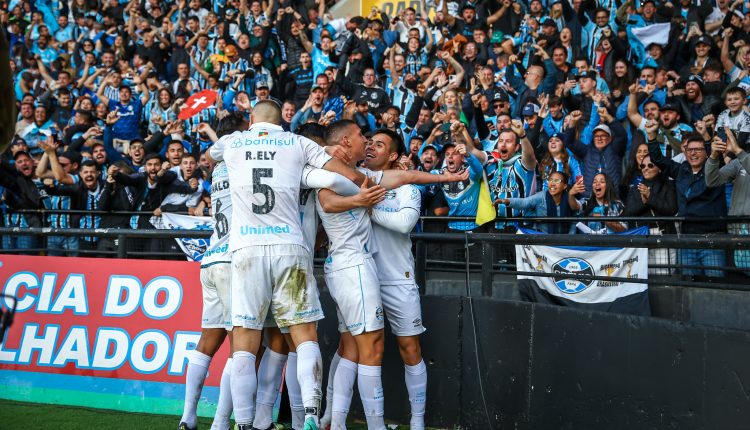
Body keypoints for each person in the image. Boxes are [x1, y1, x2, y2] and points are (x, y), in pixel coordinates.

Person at [206, 101, 365, 430]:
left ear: (251, 120)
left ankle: (244, 423)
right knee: (304, 335)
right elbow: (340, 175)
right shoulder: (298, 142)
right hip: (290, 248)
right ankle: (309, 413)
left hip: (246, 250)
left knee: (245, 343)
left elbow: (212, 155)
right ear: (282, 121)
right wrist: (362, 184)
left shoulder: (233, 141)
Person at [178, 116, 243, 430]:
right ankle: (220, 422)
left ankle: (187, 417)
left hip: (211, 258)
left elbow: (221, 149)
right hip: (232, 259)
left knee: (207, 341)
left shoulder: (216, 171)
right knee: (240, 343)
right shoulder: (242, 161)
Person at [363, 128, 428, 430]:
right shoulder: (355, 179)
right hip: (362, 278)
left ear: (394, 156)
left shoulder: (407, 188)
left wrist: (367, 208)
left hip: (399, 279)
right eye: (370, 143)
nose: (371, 148)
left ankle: (417, 421)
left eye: (380, 145)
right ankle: (334, 418)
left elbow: (404, 224)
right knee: (355, 349)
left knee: (410, 349)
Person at [645, 121, 727, 277]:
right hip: (686, 239)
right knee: (689, 285)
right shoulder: (681, 169)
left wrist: (706, 136)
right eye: (689, 150)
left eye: (697, 150)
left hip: (712, 239)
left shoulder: (716, 170)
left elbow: (717, 156)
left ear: (706, 152)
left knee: (714, 285)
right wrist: (651, 135)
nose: (693, 153)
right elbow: (657, 159)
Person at [622, 155, 678, 273]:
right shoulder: (634, 189)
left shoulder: (668, 185)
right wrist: (645, 202)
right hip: (641, 237)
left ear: (660, 168)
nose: (645, 168)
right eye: (643, 166)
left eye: (650, 165)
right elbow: (627, 213)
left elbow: (671, 209)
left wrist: (650, 197)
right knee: (644, 278)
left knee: (664, 278)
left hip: (663, 236)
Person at [706, 128, 750, 270]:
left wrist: (737, 150)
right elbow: (711, 180)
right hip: (737, 228)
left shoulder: (742, 157)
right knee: (738, 277)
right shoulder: (739, 162)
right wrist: (713, 156)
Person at [496, 171, 578, 234]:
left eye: (557, 181)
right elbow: (525, 202)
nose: (552, 184)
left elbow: (577, 211)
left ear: (564, 186)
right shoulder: (541, 196)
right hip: (543, 240)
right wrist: (507, 201)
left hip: (565, 242)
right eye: (550, 180)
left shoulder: (570, 198)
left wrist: (569, 239)